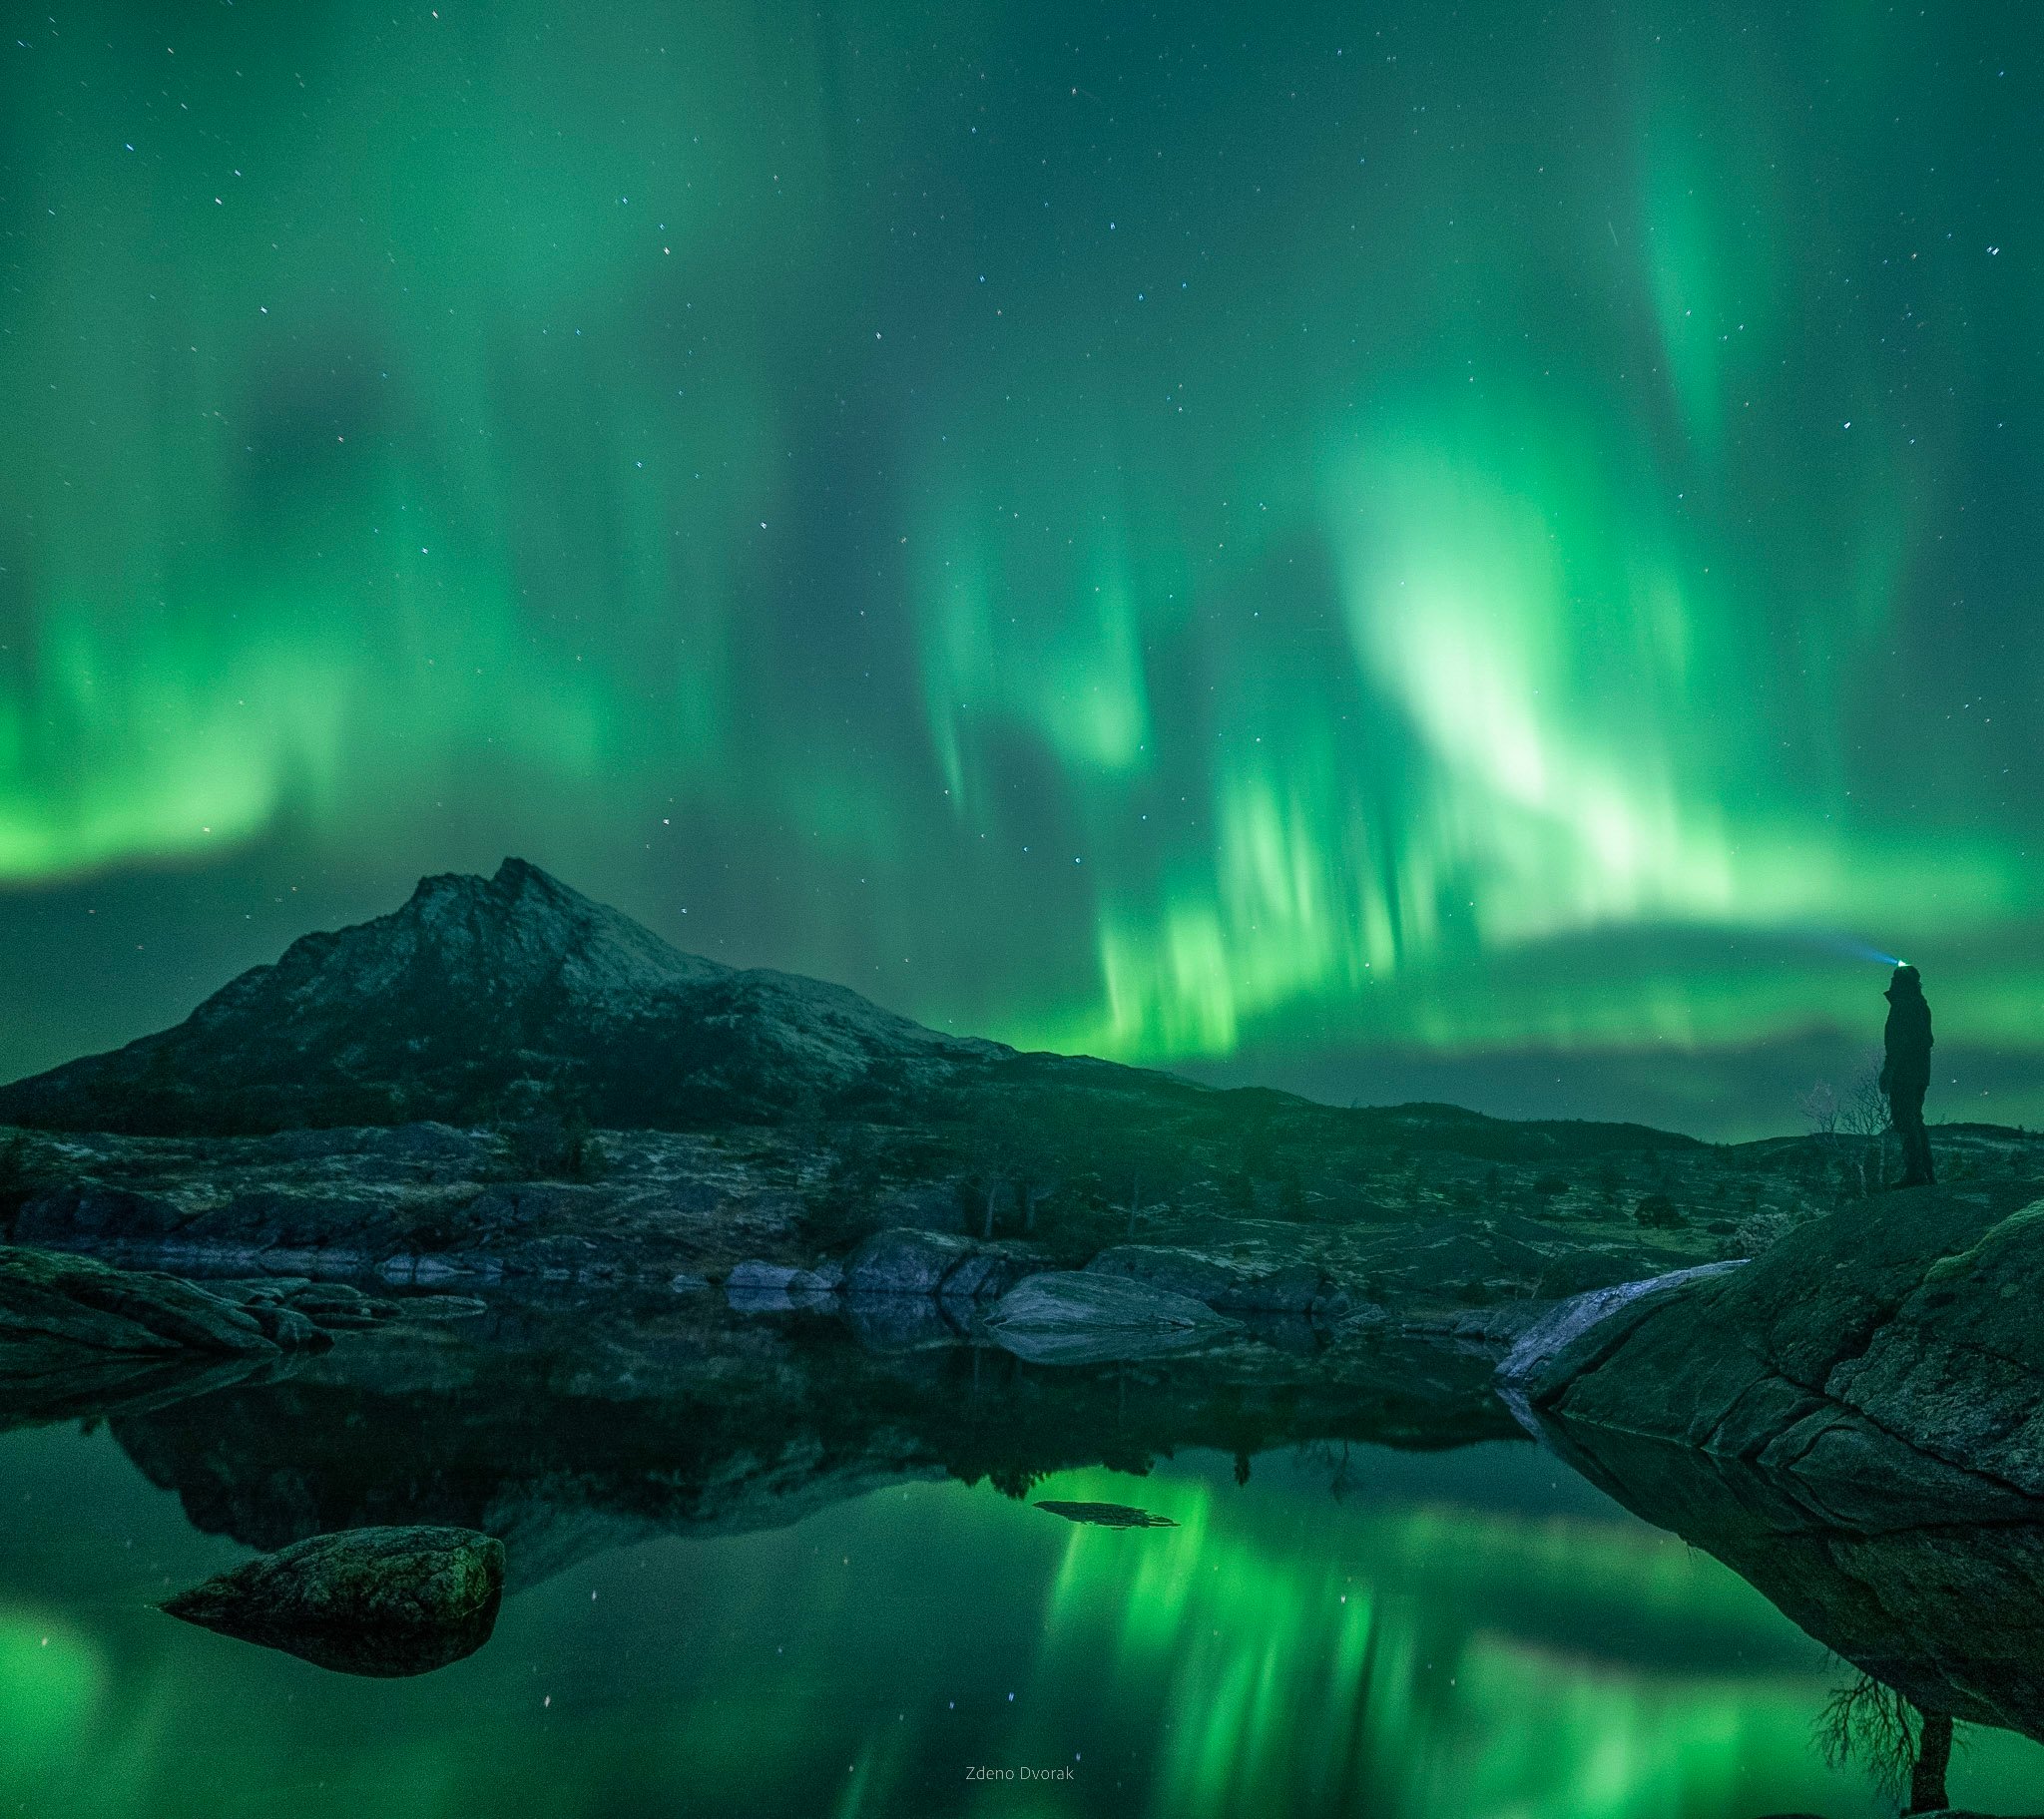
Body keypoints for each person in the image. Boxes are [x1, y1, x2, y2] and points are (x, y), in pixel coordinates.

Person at [1879, 963, 1935, 1187]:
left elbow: (1899, 1043)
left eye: (1895, 978)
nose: (1892, 981)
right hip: (1919, 1073)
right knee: (1915, 1119)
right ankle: (1926, 1171)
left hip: (1905, 1073)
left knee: (1905, 1120)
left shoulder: (1903, 1006)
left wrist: (1889, 1071)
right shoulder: (1920, 1005)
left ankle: (1915, 1173)